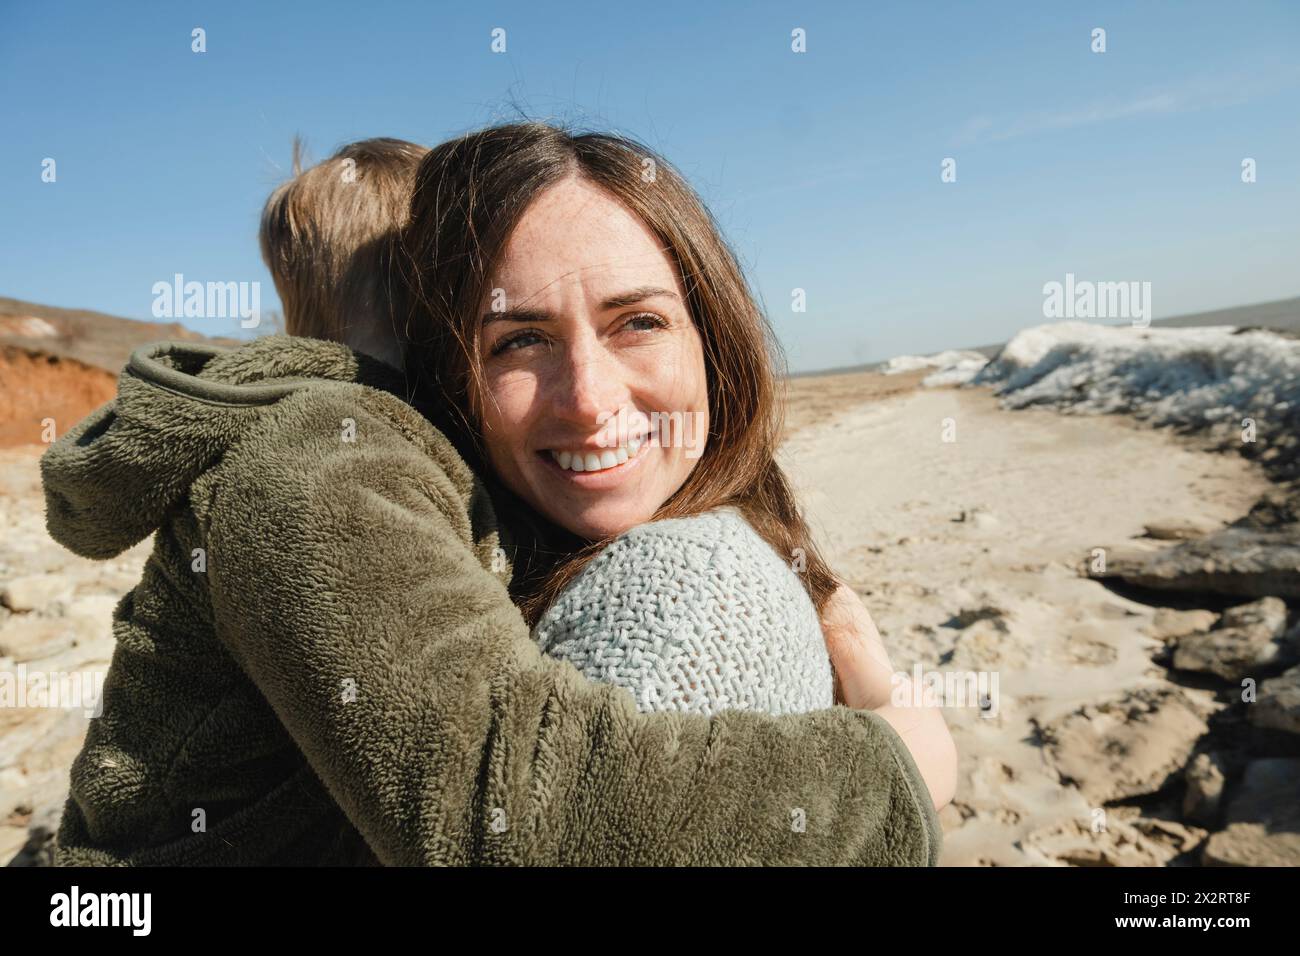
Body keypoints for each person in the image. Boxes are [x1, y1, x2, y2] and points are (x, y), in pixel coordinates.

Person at [41, 126, 948, 866]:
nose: (588, 400)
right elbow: (504, 812)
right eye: (513, 337)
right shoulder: (319, 459)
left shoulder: (415, 470)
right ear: (434, 336)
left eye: (638, 320)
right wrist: (898, 770)